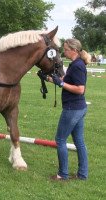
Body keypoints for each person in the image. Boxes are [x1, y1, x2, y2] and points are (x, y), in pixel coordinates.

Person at [47, 38, 91, 180]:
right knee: (79, 141)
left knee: (60, 140)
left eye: (65, 49)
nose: (64, 52)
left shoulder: (78, 65)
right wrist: (51, 79)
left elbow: (80, 89)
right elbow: (65, 79)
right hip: (78, 108)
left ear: (74, 50)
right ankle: (82, 175)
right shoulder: (75, 64)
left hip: (73, 108)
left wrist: (60, 84)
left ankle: (62, 174)